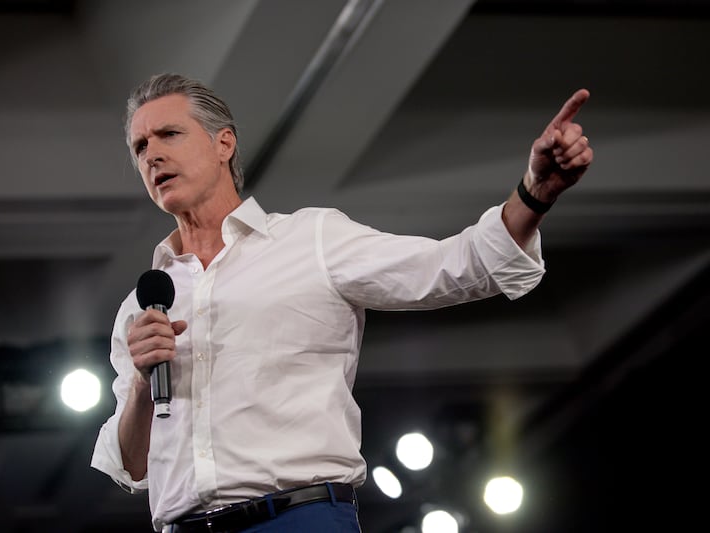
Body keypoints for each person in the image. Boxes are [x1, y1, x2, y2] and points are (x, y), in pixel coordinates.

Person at [90, 73, 593, 533]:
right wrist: (139, 381)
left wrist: (534, 194)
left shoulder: (311, 239)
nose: (151, 154)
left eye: (168, 135)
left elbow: (452, 266)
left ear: (224, 143)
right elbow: (133, 465)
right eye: (139, 146)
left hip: (298, 517)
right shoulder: (141, 304)